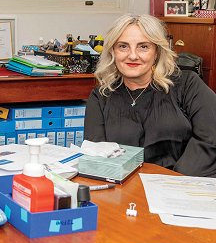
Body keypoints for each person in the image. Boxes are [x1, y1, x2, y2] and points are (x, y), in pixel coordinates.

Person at [84, 14, 216, 177]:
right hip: (124, 187)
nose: (132, 55)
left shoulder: (187, 84)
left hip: (185, 185)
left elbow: (210, 139)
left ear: (157, 52)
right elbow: (97, 154)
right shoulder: (101, 96)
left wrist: (176, 182)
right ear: (113, 52)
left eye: (143, 47)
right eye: (123, 46)